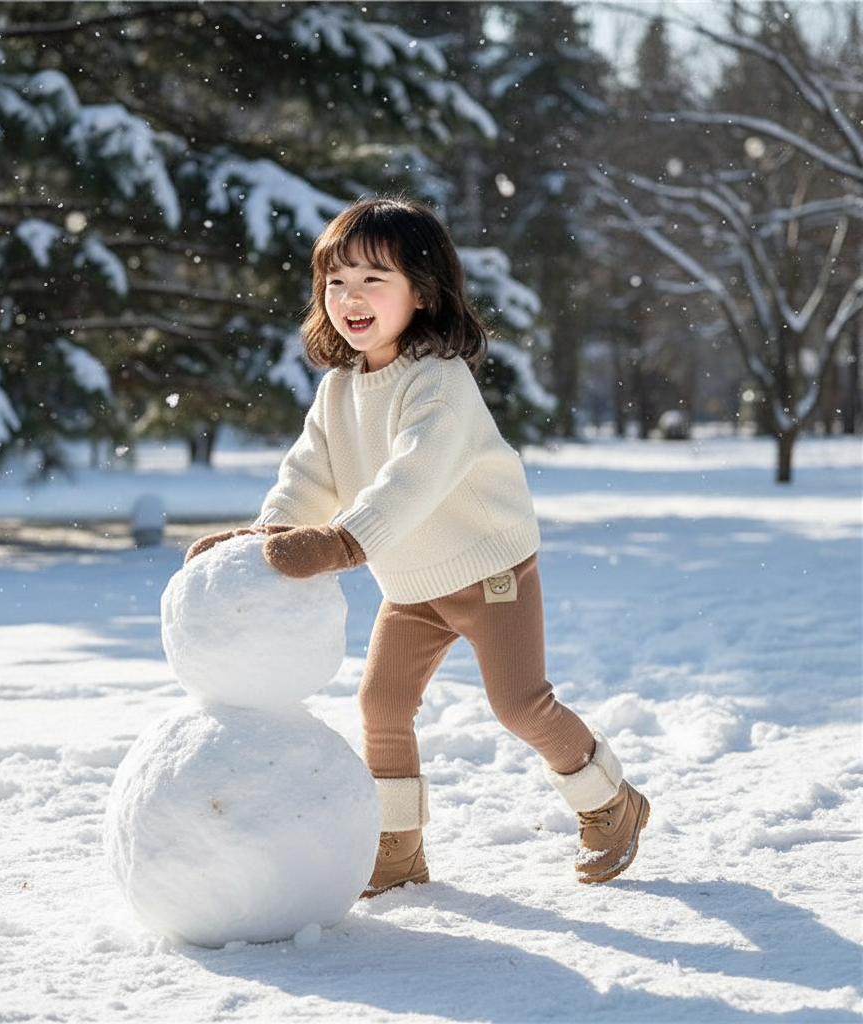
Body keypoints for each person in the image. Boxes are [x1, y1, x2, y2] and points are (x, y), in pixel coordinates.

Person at [185, 195, 649, 896]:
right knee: (381, 705)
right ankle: (397, 848)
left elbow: (412, 479)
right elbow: (310, 472)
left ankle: (611, 804)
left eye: (374, 279)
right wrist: (268, 537)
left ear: (422, 293)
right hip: (410, 585)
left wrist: (340, 544)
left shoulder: (440, 382)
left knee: (519, 704)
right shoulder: (340, 389)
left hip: (489, 570)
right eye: (336, 282)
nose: (351, 298)